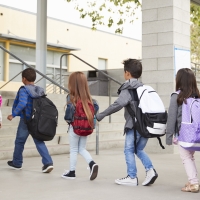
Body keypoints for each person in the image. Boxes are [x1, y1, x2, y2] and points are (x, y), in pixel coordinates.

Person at [96, 59, 158, 186]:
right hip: (146, 124)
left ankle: (132, 176)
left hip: (134, 125)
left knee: (128, 150)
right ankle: (150, 170)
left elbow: (118, 104)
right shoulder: (144, 87)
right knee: (139, 149)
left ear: (127, 73)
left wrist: (100, 115)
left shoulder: (129, 88)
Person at [7, 68, 53, 173]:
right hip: (37, 121)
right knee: (39, 141)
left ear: (24, 79)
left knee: (19, 141)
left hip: (26, 121)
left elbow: (22, 103)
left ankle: (17, 163)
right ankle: (48, 163)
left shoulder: (24, 90)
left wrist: (13, 115)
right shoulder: (39, 90)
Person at [166, 68, 200, 193]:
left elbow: (171, 117)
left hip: (184, 133)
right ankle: (193, 180)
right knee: (190, 156)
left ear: (179, 80)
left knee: (186, 157)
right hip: (196, 132)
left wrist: (169, 136)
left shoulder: (177, 96)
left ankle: (194, 183)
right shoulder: (197, 96)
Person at [61, 71, 99, 180]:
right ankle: (92, 164)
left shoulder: (71, 97)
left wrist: (69, 121)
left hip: (75, 128)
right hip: (85, 127)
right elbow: (95, 110)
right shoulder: (91, 99)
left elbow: (68, 116)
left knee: (73, 149)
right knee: (82, 148)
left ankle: (72, 172)